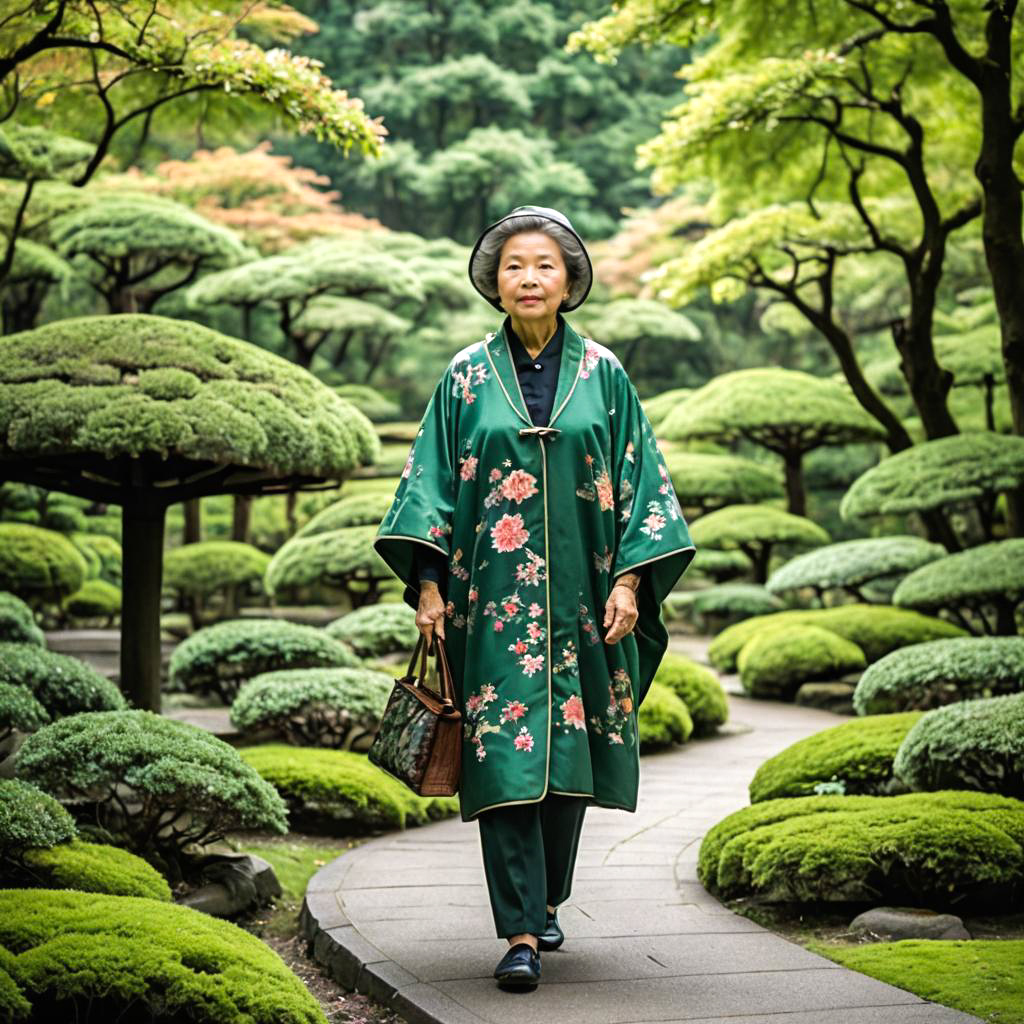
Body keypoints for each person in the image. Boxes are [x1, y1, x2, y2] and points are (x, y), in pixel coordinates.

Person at [373, 205, 696, 991]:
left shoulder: (605, 375)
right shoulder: (464, 377)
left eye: (544, 265)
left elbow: (641, 481)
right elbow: (430, 484)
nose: (528, 277)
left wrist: (629, 580)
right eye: (514, 265)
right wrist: (426, 583)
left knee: (570, 759)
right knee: (505, 759)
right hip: (490, 606)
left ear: (568, 281)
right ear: (495, 281)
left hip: (586, 602)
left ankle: (547, 895)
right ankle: (518, 929)